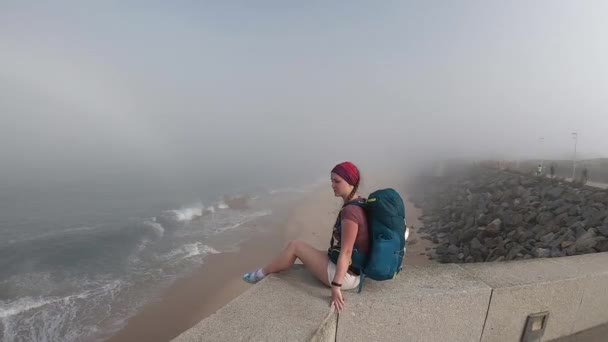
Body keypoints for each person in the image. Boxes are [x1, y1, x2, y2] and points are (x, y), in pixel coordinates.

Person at [242, 161, 368, 313]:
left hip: (347, 277)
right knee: (305, 249)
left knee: (295, 246)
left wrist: (336, 287)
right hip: (357, 270)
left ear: (350, 182)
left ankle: (260, 274)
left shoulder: (350, 212)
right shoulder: (361, 202)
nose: (332, 185)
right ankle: (269, 270)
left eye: (337, 181)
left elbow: (346, 252)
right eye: (331, 181)